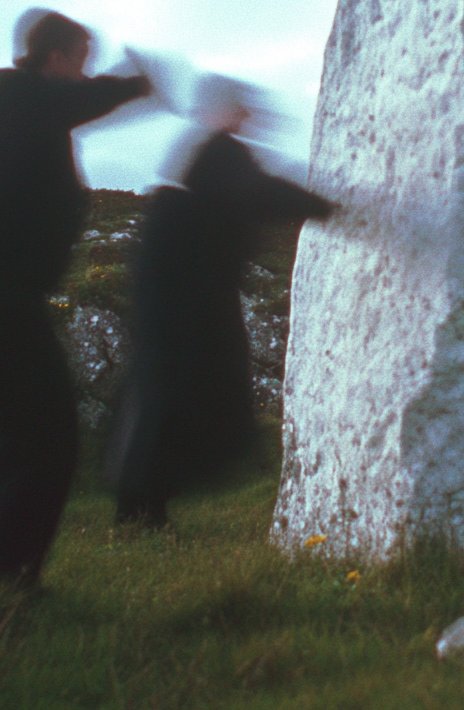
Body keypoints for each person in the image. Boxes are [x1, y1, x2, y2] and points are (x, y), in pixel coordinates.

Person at [0, 11, 151, 585]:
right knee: (42, 428)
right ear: (54, 57)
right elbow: (69, 104)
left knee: (10, 425)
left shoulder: (23, 108)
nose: (86, 76)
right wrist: (135, 84)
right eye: (81, 61)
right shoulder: (15, 93)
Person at [112, 76, 334, 527]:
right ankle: (141, 505)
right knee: (174, 392)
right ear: (223, 109)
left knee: (167, 390)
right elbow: (263, 193)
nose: (250, 118)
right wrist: (330, 206)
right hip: (185, 297)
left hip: (179, 293)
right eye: (244, 109)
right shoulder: (218, 152)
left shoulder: (210, 152)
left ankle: (142, 501)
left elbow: (255, 191)